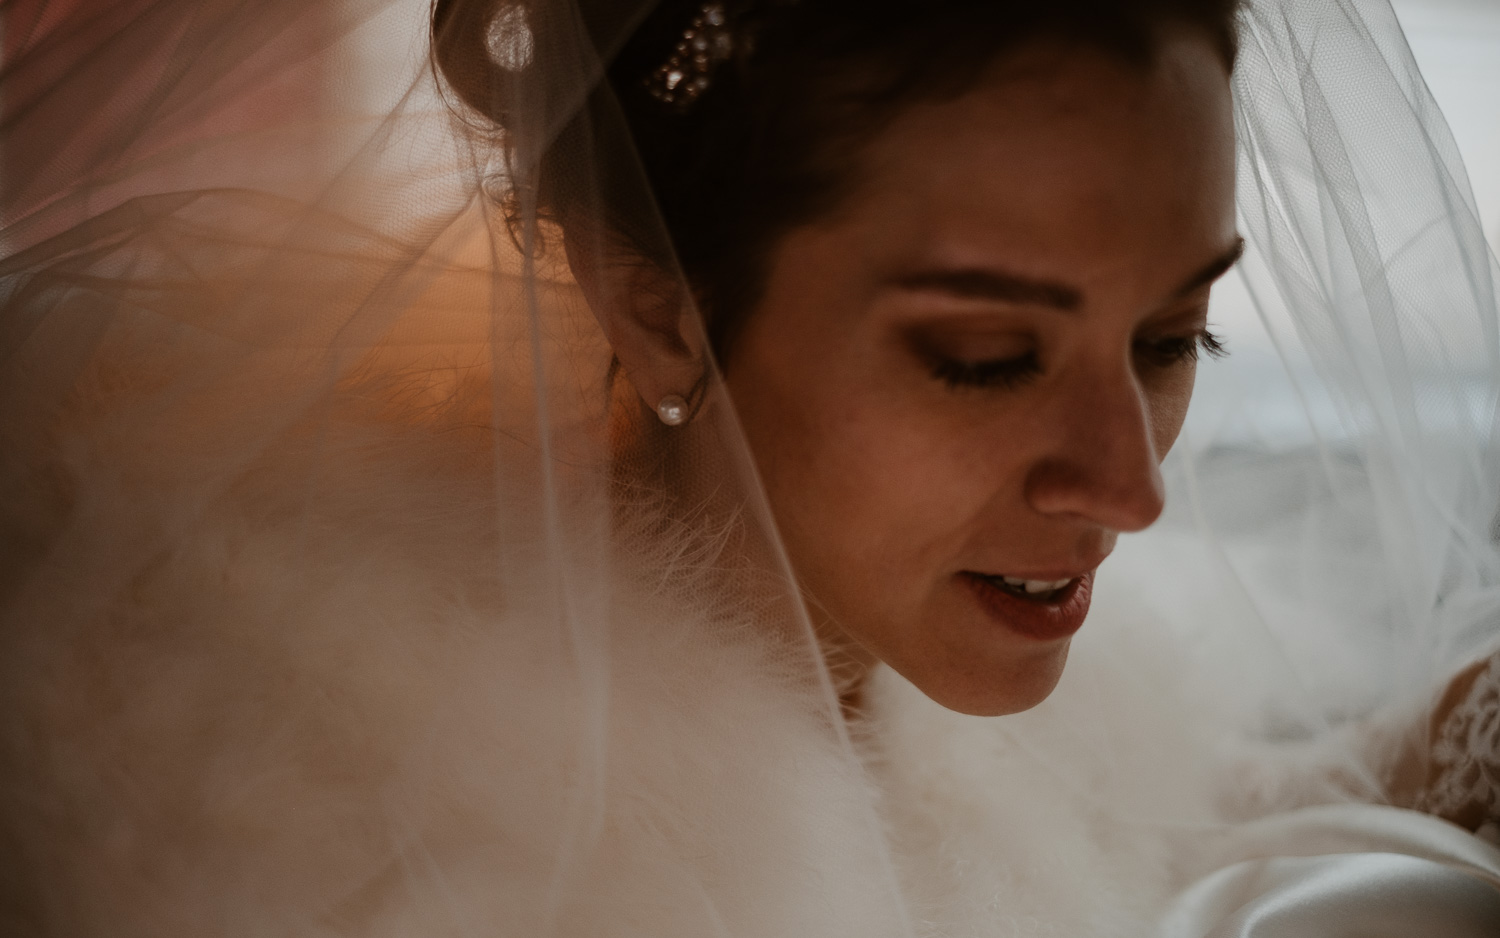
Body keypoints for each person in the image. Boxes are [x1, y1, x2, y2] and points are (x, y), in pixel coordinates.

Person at [0, 0, 1496, 934]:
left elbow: (1152, 824)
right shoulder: (388, 824)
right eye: (982, 356)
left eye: (1176, 337)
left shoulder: (926, 604)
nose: (1130, 485)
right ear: (657, 308)